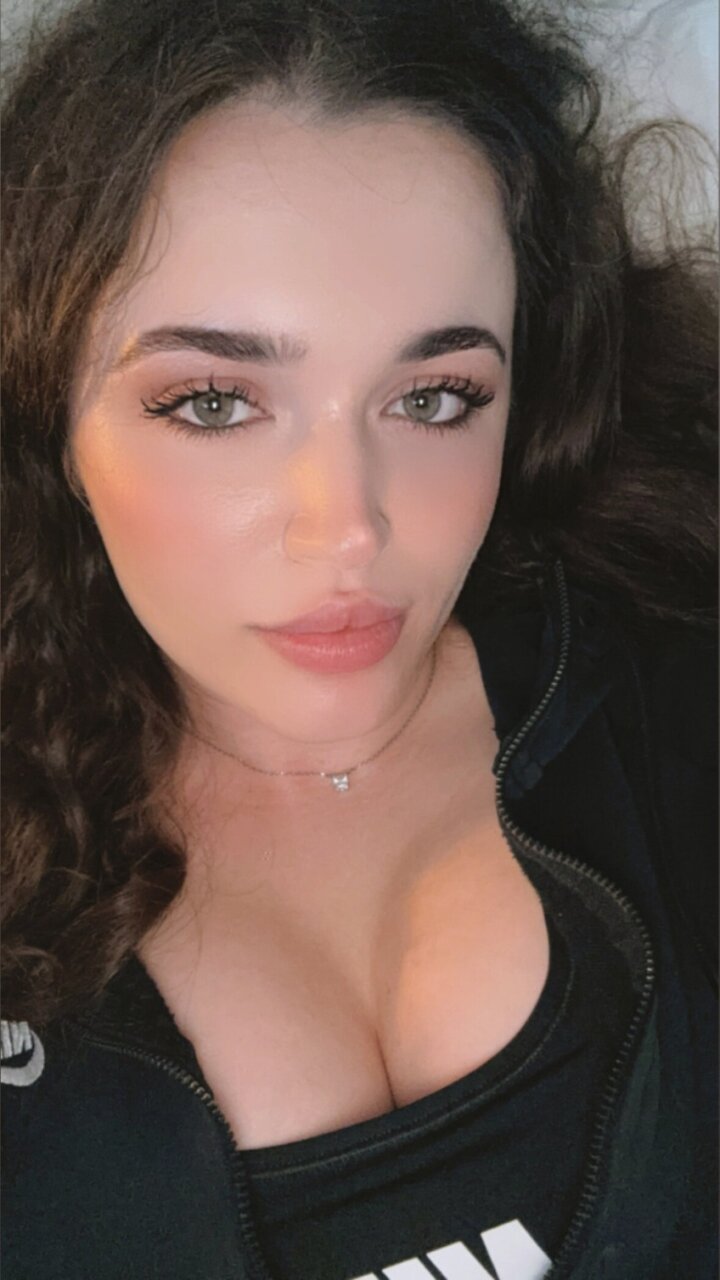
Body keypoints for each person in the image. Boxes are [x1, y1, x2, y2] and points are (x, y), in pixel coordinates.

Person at [1, 0, 716, 1276]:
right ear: (47, 410)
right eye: (212, 402)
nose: (349, 529)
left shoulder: (675, 680)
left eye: (434, 396)